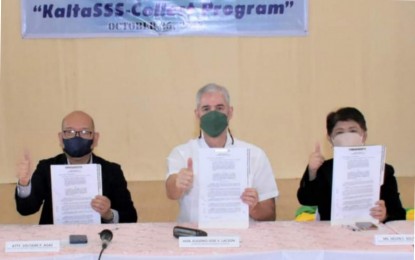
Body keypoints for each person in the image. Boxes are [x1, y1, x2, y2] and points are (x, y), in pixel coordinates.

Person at [166, 83, 279, 223]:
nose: (213, 114)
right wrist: (178, 183)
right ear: (197, 114)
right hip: (196, 237)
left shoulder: (255, 155)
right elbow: (170, 192)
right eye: (206, 109)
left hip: (243, 239)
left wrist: (254, 208)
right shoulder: (182, 153)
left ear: (230, 112)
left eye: (219, 108)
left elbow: (270, 214)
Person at [15, 110, 138, 224]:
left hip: (96, 241)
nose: (77, 137)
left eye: (85, 132)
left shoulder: (112, 171)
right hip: (56, 241)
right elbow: (26, 209)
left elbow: (131, 217)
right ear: (61, 138)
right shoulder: (46, 168)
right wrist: (24, 184)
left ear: (95, 139)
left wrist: (108, 214)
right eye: (69, 132)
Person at [297, 107, 406, 222]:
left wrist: (385, 215)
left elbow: (399, 213)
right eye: (340, 132)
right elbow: (306, 199)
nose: (347, 136)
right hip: (332, 234)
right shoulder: (323, 169)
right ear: (330, 138)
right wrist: (312, 172)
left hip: (370, 233)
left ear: (363, 135)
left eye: (353, 131)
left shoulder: (383, 170)